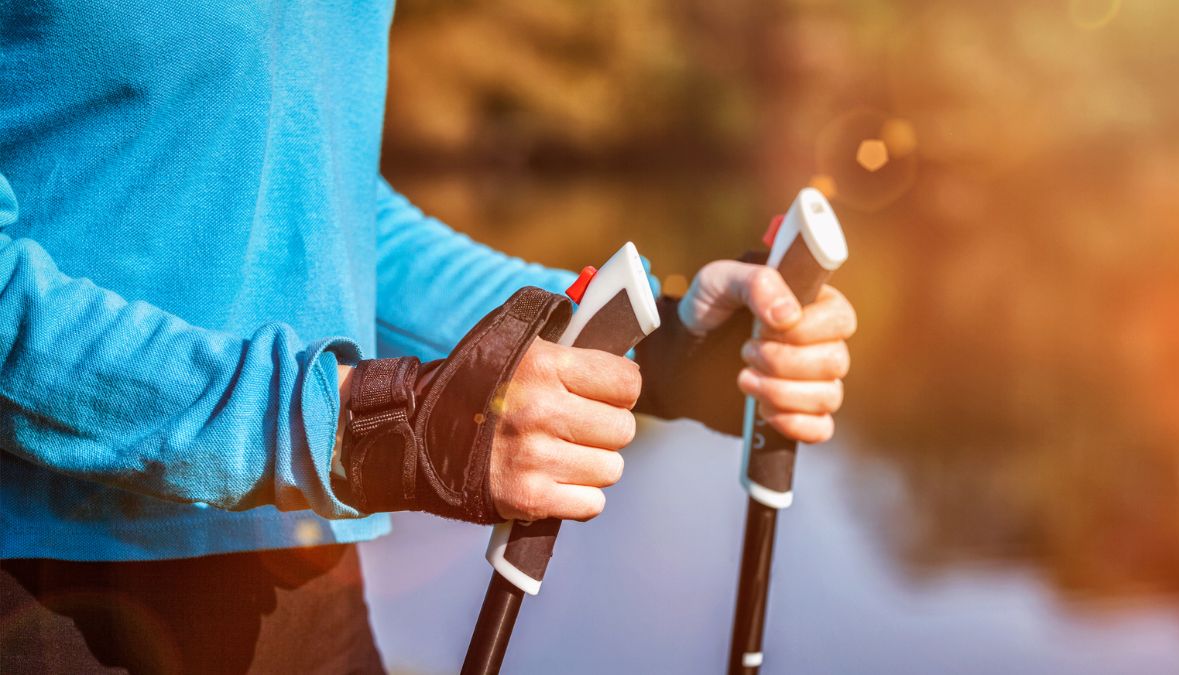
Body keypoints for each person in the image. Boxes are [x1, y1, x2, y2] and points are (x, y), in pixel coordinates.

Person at [0, 3, 856, 673]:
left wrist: (650, 346)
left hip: (306, 580)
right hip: (47, 589)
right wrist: (362, 427)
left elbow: (331, 215)